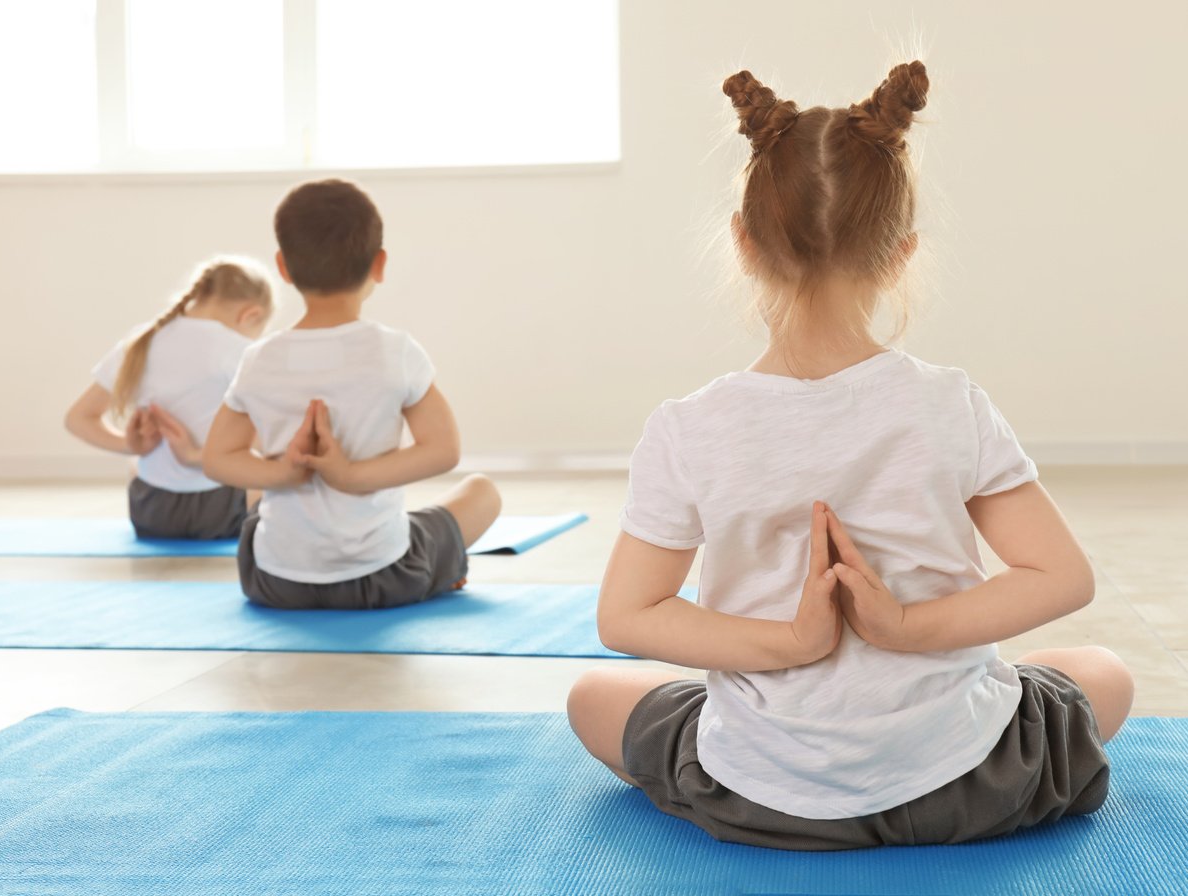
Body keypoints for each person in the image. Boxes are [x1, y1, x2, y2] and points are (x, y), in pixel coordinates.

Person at [567, 63, 1135, 850]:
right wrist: (905, 627)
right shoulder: (950, 403)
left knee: (592, 695)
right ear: (901, 254)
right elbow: (1063, 577)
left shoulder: (688, 426)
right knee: (1102, 669)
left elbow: (625, 617)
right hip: (970, 781)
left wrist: (789, 647)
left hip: (763, 794)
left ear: (741, 244)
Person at [202, 179, 500, 610]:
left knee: (257, 482)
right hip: (385, 576)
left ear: (283, 268)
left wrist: (287, 471)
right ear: (379, 264)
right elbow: (444, 450)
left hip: (272, 581)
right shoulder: (395, 351)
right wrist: (351, 477)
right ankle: (443, 566)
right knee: (482, 491)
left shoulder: (258, 359)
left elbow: (217, 459)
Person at [65, 258, 273, 539]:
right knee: (258, 450)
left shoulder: (141, 341)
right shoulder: (239, 350)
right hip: (223, 513)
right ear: (250, 315)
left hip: (151, 512)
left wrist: (131, 445)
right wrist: (198, 456)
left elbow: (77, 419)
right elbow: (272, 433)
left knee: (135, 463)